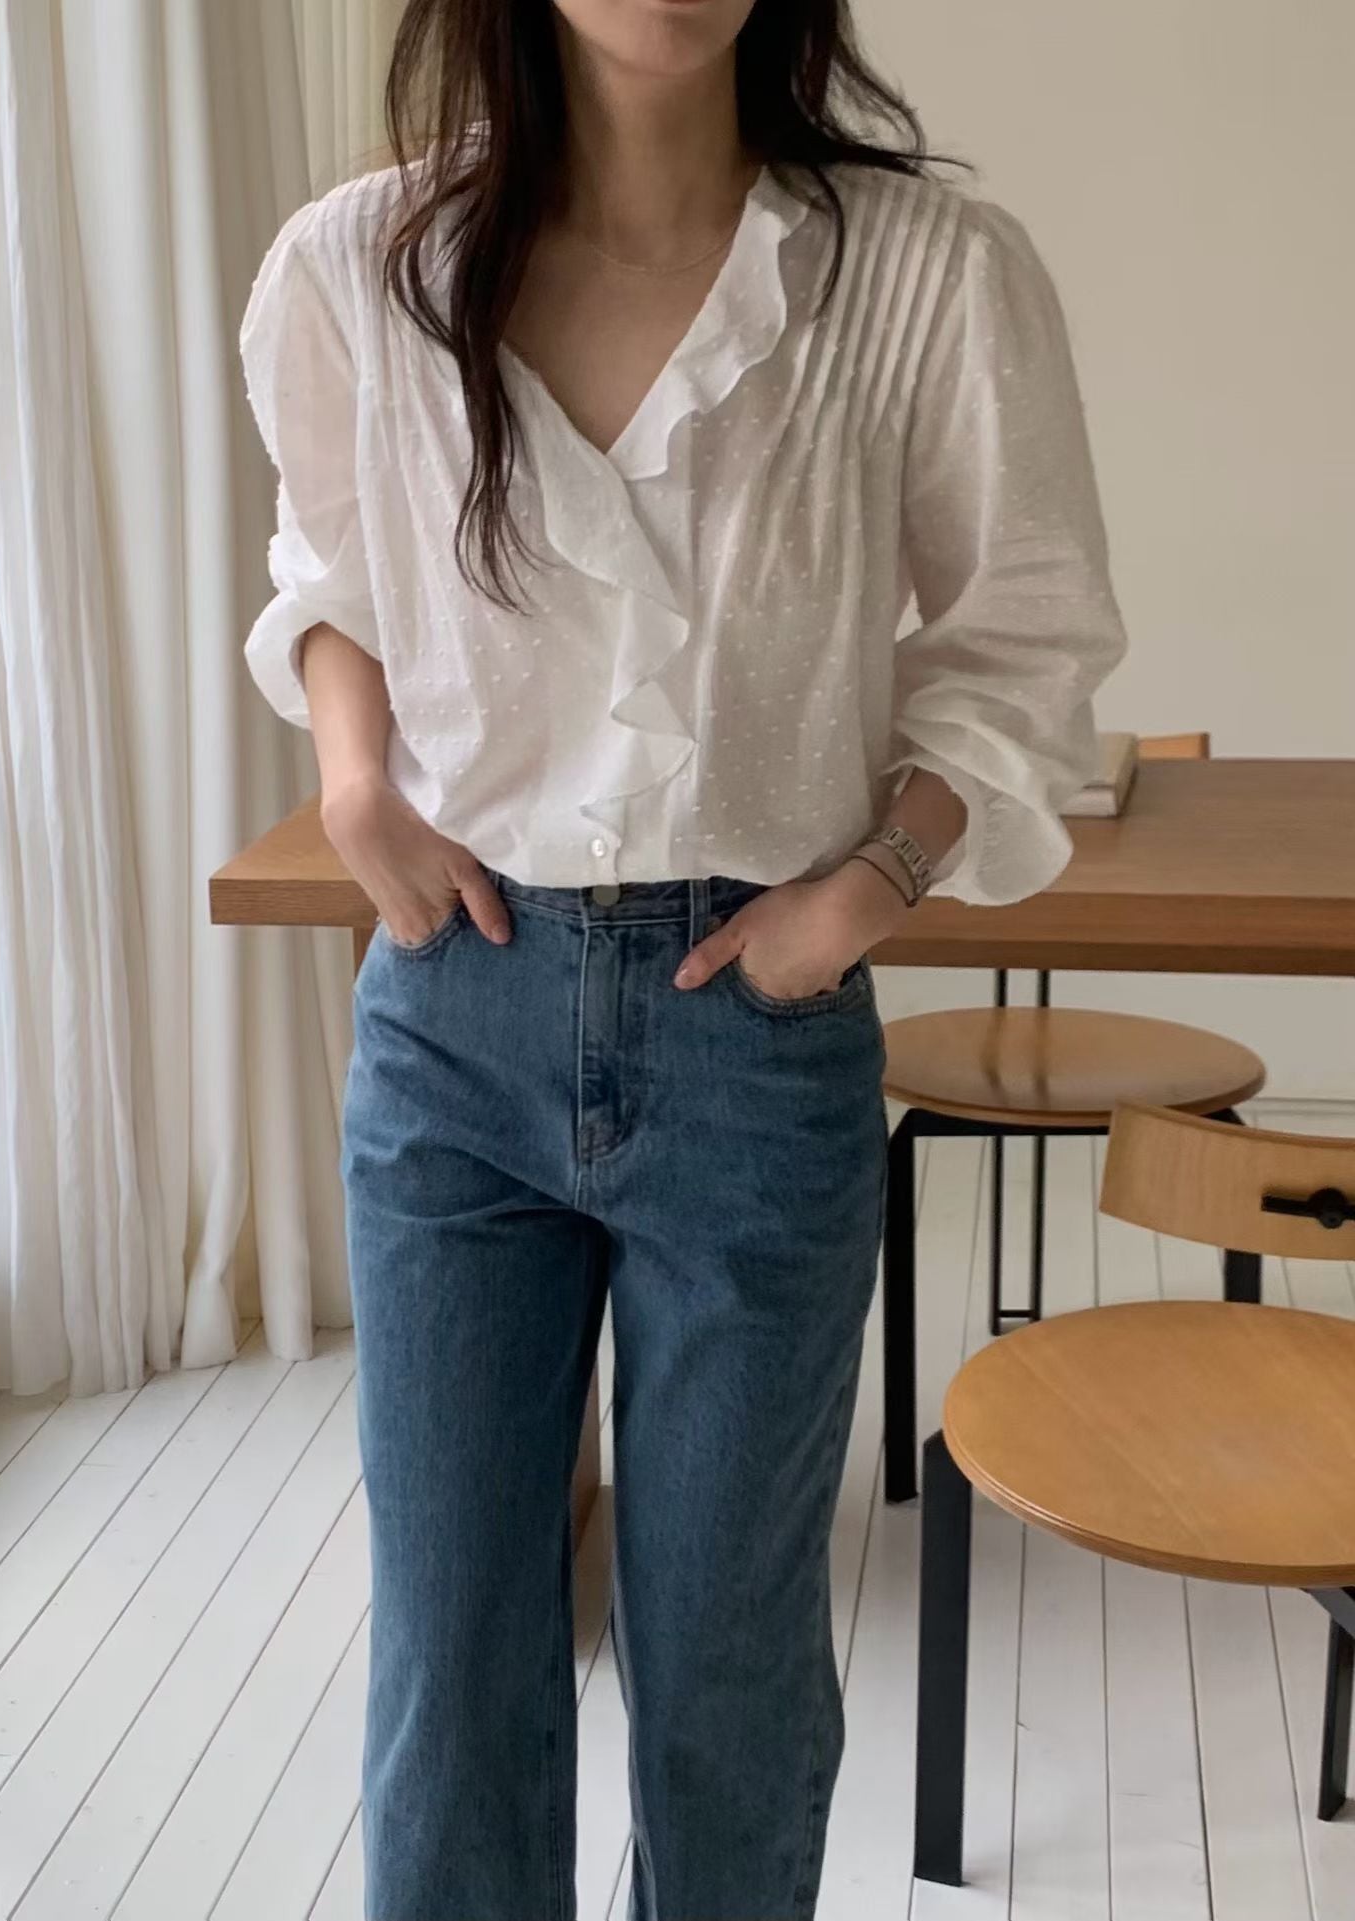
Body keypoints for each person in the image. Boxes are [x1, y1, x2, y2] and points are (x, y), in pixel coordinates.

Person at [238, 2, 1127, 1914]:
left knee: (728, 1667)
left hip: (757, 1029)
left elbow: (1027, 644)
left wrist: (864, 890)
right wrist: (353, 778)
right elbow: (332, 574)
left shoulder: (922, 273)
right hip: (456, 1016)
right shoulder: (364, 267)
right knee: (452, 1666)